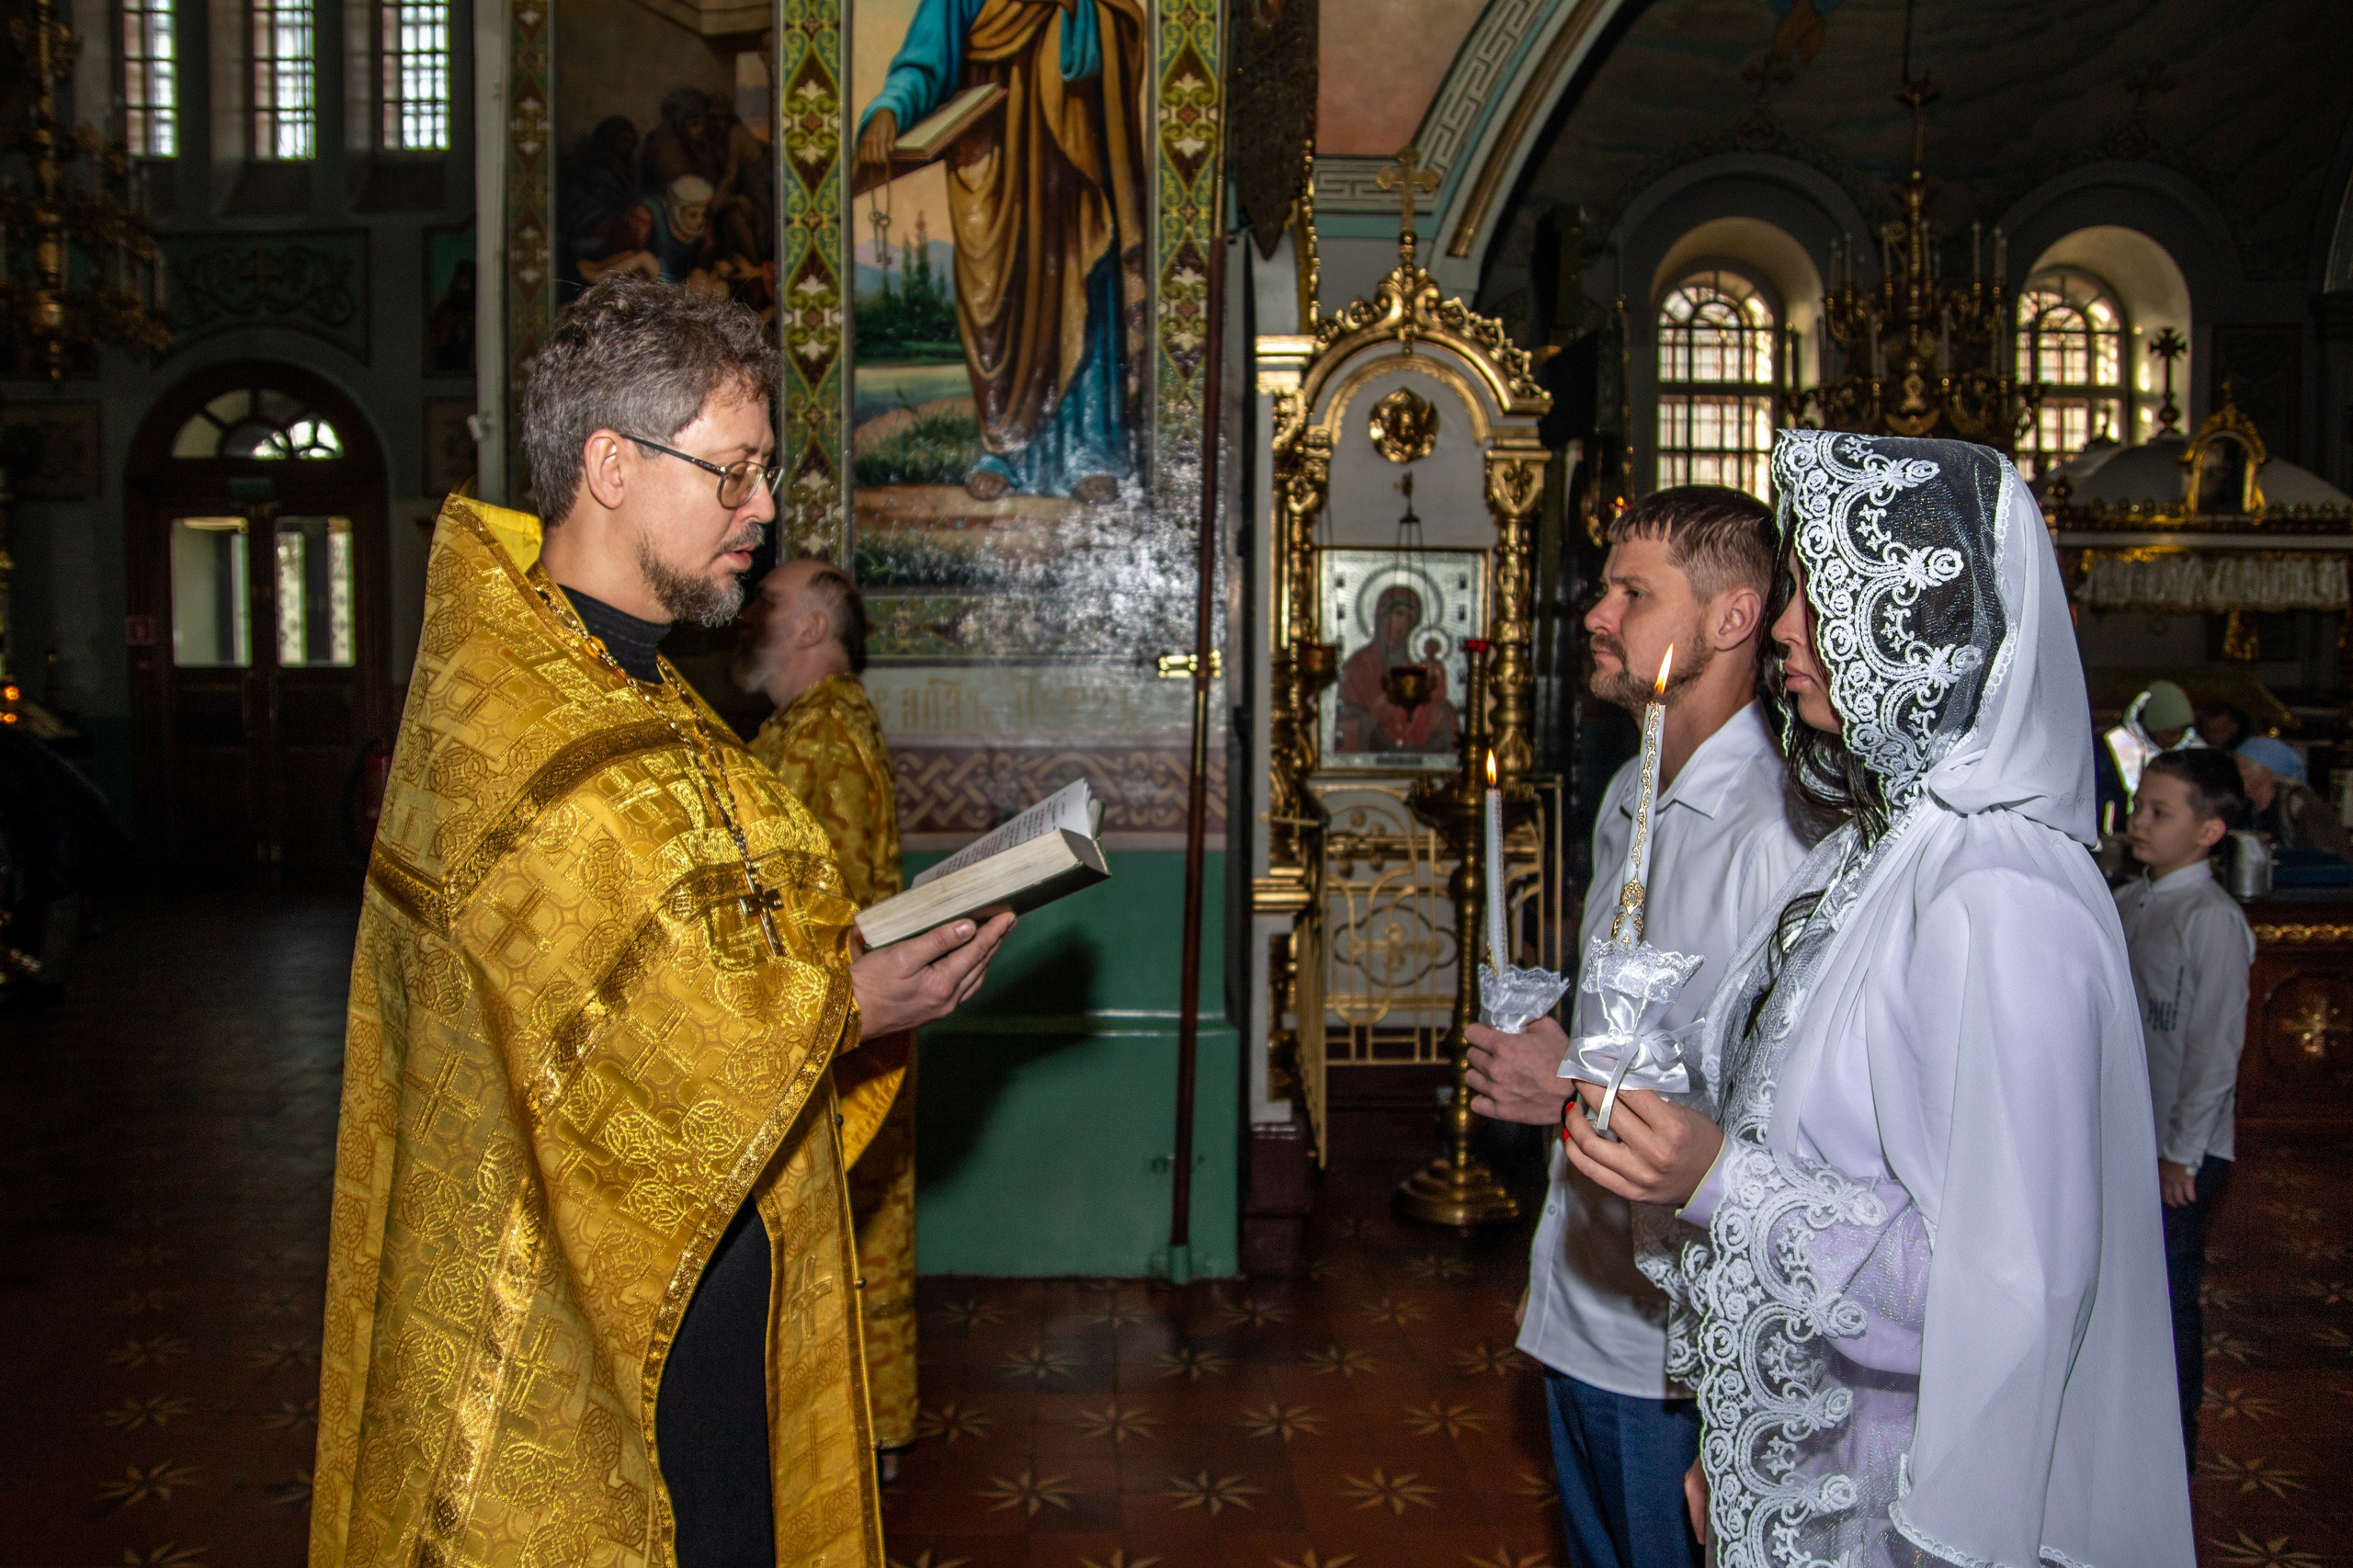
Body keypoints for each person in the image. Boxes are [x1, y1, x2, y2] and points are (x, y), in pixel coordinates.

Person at [309, 277, 1017, 1568]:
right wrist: (851, 1003)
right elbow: (610, 1040)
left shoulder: (644, 697)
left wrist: (859, 965)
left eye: (764, 476)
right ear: (611, 464)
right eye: (734, 473)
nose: (763, 511)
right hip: (571, 1329)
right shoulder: (514, 721)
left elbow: (692, 960)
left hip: (707, 1281)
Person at [1567, 430, 2192, 1567]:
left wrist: (1716, 1179)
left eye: (1817, 591)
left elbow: (2000, 1295)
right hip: (1816, 1471)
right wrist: (1743, 1438)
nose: (1788, 628)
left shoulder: (2001, 898)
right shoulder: (1875, 854)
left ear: (1924, 625)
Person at [1463, 486, 1806, 1568]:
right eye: (1605, 586)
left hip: (1677, 1343)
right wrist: (1554, 1043)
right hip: (1583, 1298)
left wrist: (1567, 1076)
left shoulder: (1780, 835)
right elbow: (1641, 1022)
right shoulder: (1629, 792)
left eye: (1632, 592)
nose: (1596, 613)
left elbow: (1776, 1108)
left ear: (1732, 617)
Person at [735, 559, 922, 1480]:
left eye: (771, 601)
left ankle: (836, 1444)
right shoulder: (810, 727)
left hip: (823, 1034)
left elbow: (822, 913)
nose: (749, 610)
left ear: (812, 628)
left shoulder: (819, 738)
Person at [854, 0, 1147, 504]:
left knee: (1086, 284)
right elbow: (927, 55)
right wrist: (889, 108)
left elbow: (1122, 23)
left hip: (1075, 162)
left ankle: (1092, 451)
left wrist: (1079, 15)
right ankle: (1006, 451)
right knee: (1002, 303)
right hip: (995, 157)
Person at [2117, 747, 2255, 1462]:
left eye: (2159, 813)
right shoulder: (2130, 898)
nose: (2139, 822)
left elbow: (2213, 1048)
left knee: (2172, 1299)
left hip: (2183, 1154)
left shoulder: (2212, 918)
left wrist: (2182, 1150)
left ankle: (2176, 1444)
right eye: (2140, 805)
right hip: (2133, 1140)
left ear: (2209, 833)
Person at [1334, 585, 1457, 756]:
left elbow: (1428, 703)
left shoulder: (1415, 667)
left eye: (1410, 618)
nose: (1402, 625)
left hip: (1413, 747)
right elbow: (1341, 717)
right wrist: (1373, 716)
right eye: (1398, 613)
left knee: (1445, 711)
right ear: (1381, 614)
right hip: (1372, 749)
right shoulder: (1358, 665)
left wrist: (1436, 709)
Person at [2234, 733, 2352, 859]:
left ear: (2266, 772)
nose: (2237, 774)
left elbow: (2327, 857)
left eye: (2243, 768)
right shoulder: (2244, 805)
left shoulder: (2300, 804)